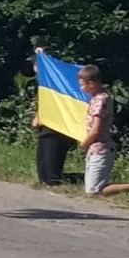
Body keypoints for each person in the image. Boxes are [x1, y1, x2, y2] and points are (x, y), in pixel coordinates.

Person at [79, 64, 129, 197]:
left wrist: (84, 144)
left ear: (91, 83)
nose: (81, 88)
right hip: (95, 148)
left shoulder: (100, 101)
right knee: (92, 188)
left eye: (82, 84)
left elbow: (96, 129)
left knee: (94, 191)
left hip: (101, 148)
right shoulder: (99, 98)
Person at [31, 49, 74, 186]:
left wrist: (42, 56)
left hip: (57, 128)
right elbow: (45, 101)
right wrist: (37, 116)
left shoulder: (58, 80)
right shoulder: (45, 82)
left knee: (51, 177)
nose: (35, 70)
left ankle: (84, 180)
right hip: (46, 125)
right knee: (43, 174)